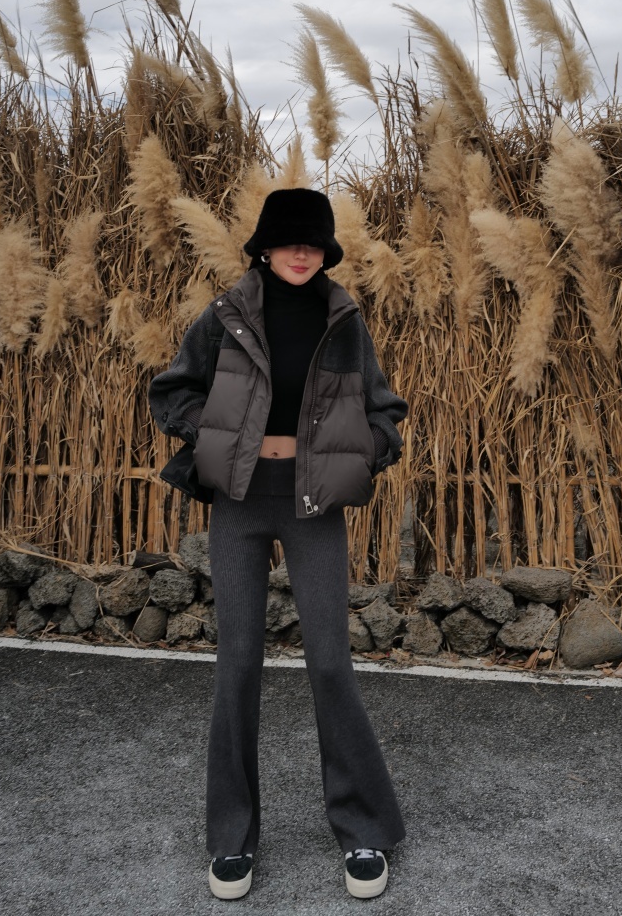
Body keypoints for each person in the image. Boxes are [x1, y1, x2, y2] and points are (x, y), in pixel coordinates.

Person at [148, 187, 408, 901]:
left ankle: (363, 830)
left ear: (326, 251)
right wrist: (214, 436)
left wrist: (364, 451)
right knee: (237, 664)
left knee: (329, 662)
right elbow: (171, 392)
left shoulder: (343, 319)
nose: (302, 253)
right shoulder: (226, 316)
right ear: (264, 248)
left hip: (312, 502)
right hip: (239, 500)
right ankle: (231, 838)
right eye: (289, 241)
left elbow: (385, 410)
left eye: (314, 243)